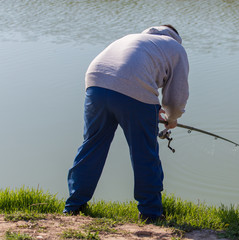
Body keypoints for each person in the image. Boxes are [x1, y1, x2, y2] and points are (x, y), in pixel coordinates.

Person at [63, 25, 189, 222]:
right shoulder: (176, 47)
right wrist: (172, 118)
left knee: (92, 145)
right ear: (175, 38)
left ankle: (74, 206)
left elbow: (126, 75)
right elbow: (177, 95)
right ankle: (151, 213)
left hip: (96, 83)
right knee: (144, 152)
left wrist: (149, 108)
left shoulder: (134, 38)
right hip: (133, 88)